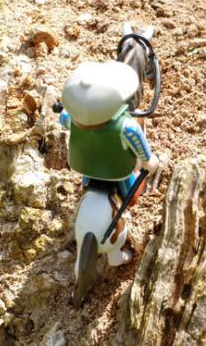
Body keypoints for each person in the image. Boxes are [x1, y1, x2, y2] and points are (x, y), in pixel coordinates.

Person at [59, 60, 159, 266]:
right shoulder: (127, 127)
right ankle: (116, 254)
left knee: (87, 184)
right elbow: (142, 151)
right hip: (117, 171)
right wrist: (148, 161)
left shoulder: (71, 118)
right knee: (131, 194)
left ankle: (86, 195)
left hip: (86, 166)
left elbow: (63, 118)